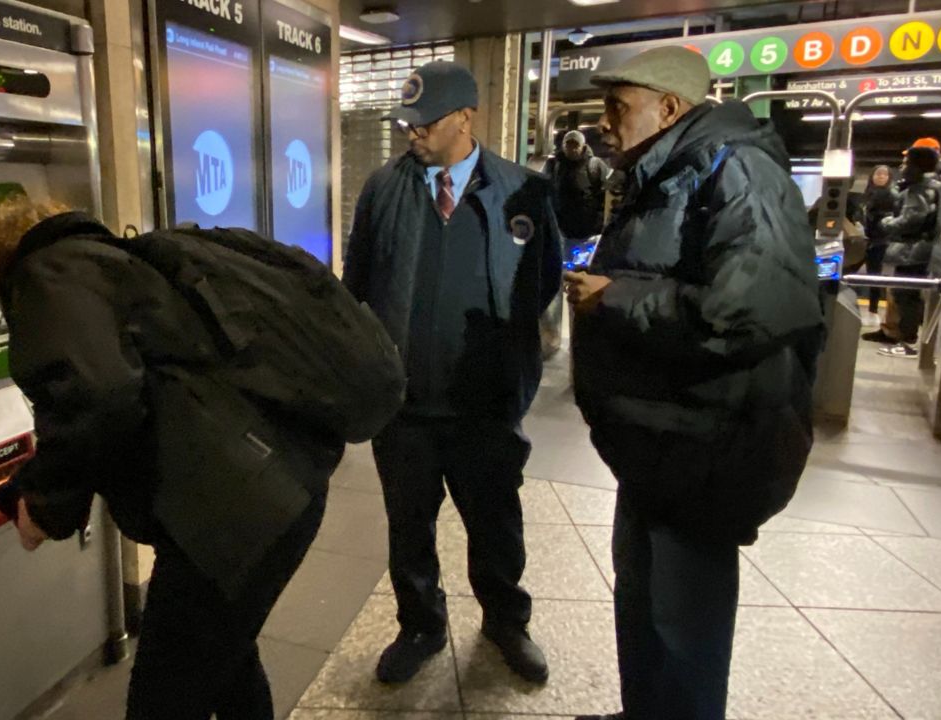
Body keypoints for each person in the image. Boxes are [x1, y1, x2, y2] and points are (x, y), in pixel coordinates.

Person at [0, 197, 345, 719]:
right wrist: (14, 493)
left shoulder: (47, 274)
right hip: (272, 490)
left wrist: (45, 509)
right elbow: (101, 407)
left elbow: (97, 398)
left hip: (233, 520)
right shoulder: (111, 267)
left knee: (163, 699)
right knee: (227, 658)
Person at [563, 47, 824, 720]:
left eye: (619, 107)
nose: (605, 122)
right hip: (656, 444)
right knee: (641, 603)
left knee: (684, 626)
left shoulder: (737, 170)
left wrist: (614, 298)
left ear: (669, 108)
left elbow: (751, 308)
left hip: (707, 449)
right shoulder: (662, 172)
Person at [344, 60, 563, 685]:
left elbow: (543, 281)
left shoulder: (523, 191)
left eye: (425, 123)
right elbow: (357, 284)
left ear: (466, 117)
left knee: (495, 524)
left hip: (486, 406)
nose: (411, 134)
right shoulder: (384, 187)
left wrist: (514, 362)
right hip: (404, 407)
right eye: (405, 123)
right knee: (408, 528)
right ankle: (420, 625)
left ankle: (505, 622)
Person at [862, 144, 941, 358]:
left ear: (917, 165)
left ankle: (908, 341)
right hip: (918, 249)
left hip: (912, 250)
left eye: (906, 163)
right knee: (907, 294)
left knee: (905, 294)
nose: (902, 166)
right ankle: (907, 338)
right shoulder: (931, 185)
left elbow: (911, 220)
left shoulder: (919, 189)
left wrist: (888, 222)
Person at [540, 130, 612, 357]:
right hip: (560, 235)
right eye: (568, 145)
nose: (571, 149)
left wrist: (602, 226)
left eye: (575, 145)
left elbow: (609, 196)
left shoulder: (596, 166)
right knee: (556, 284)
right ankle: (552, 339)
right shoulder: (554, 167)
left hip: (587, 238)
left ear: (582, 146)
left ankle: (580, 342)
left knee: (581, 288)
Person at [861, 165, 898, 321]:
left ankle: (876, 309)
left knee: (878, 275)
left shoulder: (891, 194)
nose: (881, 177)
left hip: (882, 240)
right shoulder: (868, 194)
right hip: (869, 240)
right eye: (878, 174)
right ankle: (872, 307)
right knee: (872, 274)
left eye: (884, 174)